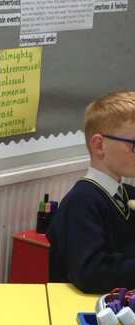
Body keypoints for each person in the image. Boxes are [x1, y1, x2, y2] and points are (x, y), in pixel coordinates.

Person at [47, 90, 135, 293]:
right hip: (84, 308)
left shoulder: (128, 194)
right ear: (99, 145)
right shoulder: (83, 201)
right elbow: (91, 274)